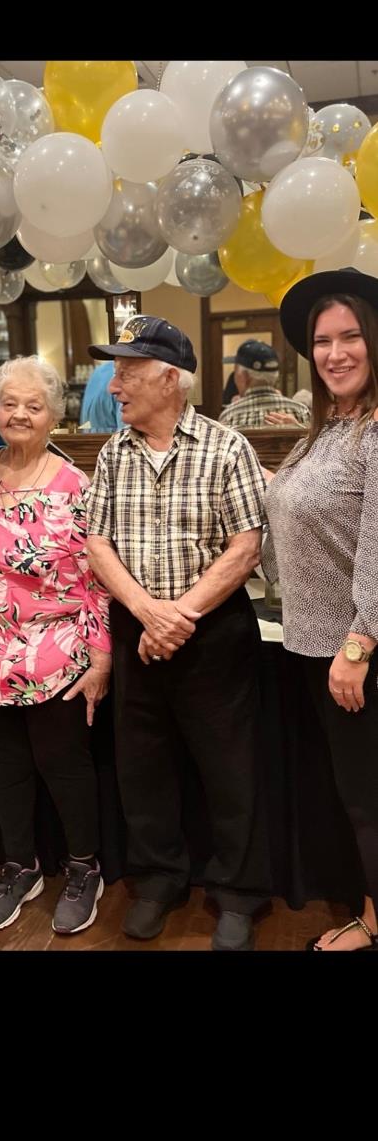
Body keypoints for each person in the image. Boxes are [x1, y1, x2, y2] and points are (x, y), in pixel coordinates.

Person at [86, 316, 271, 948]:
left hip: (213, 633)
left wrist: (178, 615)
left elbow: (247, 546)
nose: (114, 385)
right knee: (144, 766)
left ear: (171, 379)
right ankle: (159, 879)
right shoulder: (114, 452)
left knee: (230, 768)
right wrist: (147, 611)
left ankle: (240, 892)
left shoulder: (226, 447)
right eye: (116, 371)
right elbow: (97, 543)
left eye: (128, 371)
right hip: (140, 628)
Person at [0, 355, 111, 935]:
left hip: (56, 655)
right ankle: (21, 867)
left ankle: (83, 868)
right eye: (9, 403)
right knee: (6, 767)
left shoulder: (76, 485)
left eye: (33, 405)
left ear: (54, 415)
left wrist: (101, 661)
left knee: (63, 766)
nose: (19, 413)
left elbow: (98, 582)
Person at [262, 266, 378, 951]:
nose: (335, 352)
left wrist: (359, 644)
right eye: (323, 341)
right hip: (312, 645)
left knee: (368, 799)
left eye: (351, 337)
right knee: (353, 795)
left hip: (354, 655)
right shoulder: (330, 428)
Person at [219, 340, 311, 429]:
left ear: (244, 376)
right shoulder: (301, 411)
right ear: (275, 376)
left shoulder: (229, 416)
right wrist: (299, 430)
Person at [79, 359, 123, 432]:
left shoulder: (98, 371)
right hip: (110, 440)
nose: (111, 387)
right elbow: (128, 433)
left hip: (88, 440)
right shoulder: (123, 375)